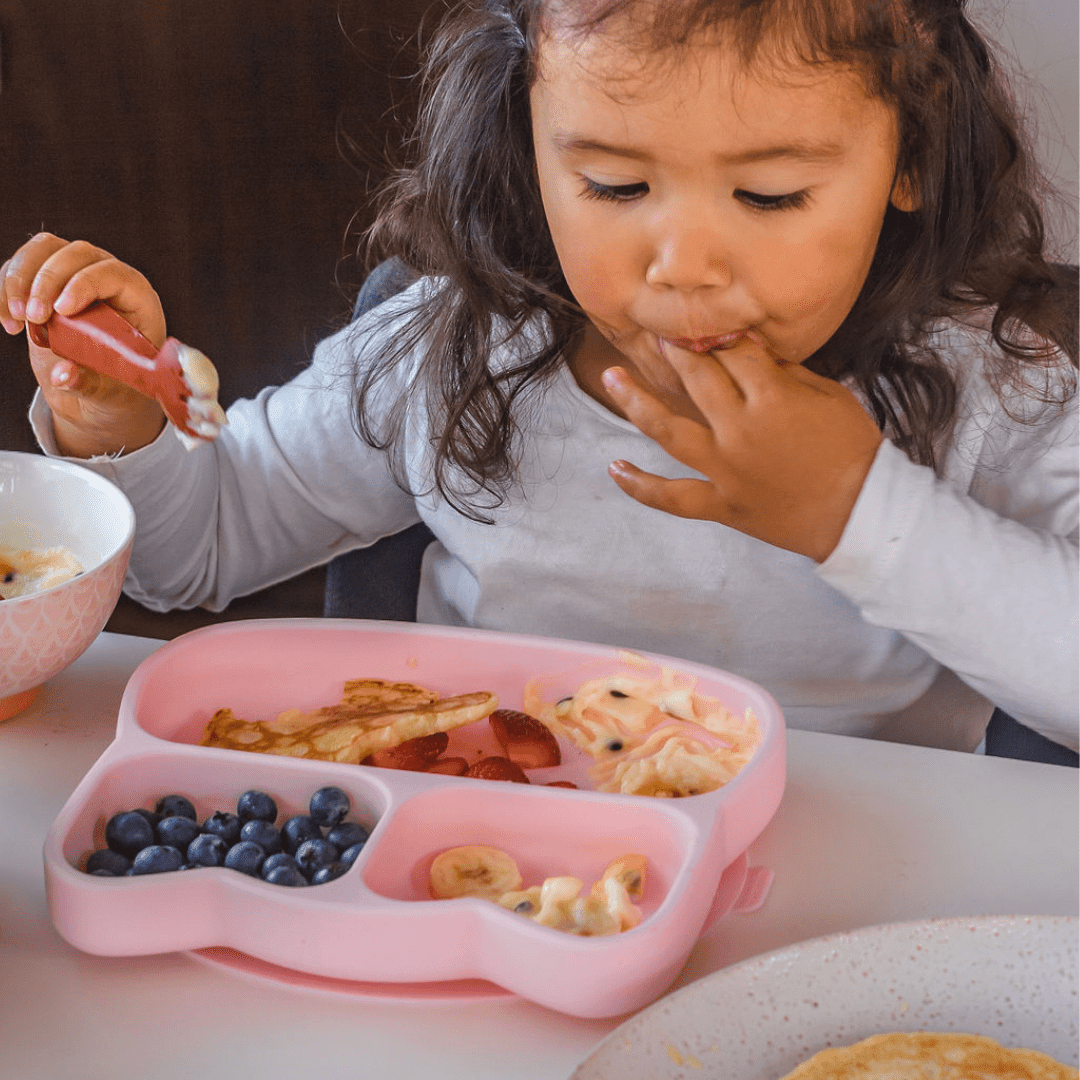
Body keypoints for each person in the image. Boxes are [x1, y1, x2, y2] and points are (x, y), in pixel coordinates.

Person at [2, 0, 1076, 753]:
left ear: (913, 162)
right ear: (526, 143)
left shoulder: (990, 387)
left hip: (845, 888)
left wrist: (859, 513)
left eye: (770, 198)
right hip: (489, 847)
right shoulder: (452, 350)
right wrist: (119, 424)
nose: (683, 266)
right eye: (613, 182)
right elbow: (196, 556)